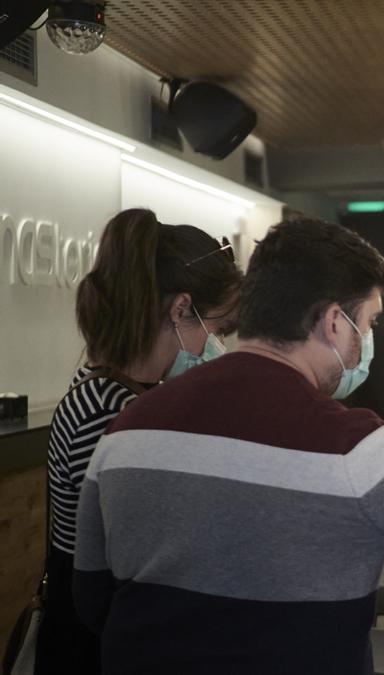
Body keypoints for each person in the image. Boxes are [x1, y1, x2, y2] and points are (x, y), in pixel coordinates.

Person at [72, 218, 384, 674]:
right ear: (334, 322)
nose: (369, 339)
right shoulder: (360, 451)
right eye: (369, 322)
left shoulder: (126, 430)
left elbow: (91, 599)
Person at [36, 209, 241, 675]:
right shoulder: (109, 408)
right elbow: (136, 559)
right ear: (180, 309)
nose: (219, 347)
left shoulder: (121, 392)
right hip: (96, 646)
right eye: (218, 330)